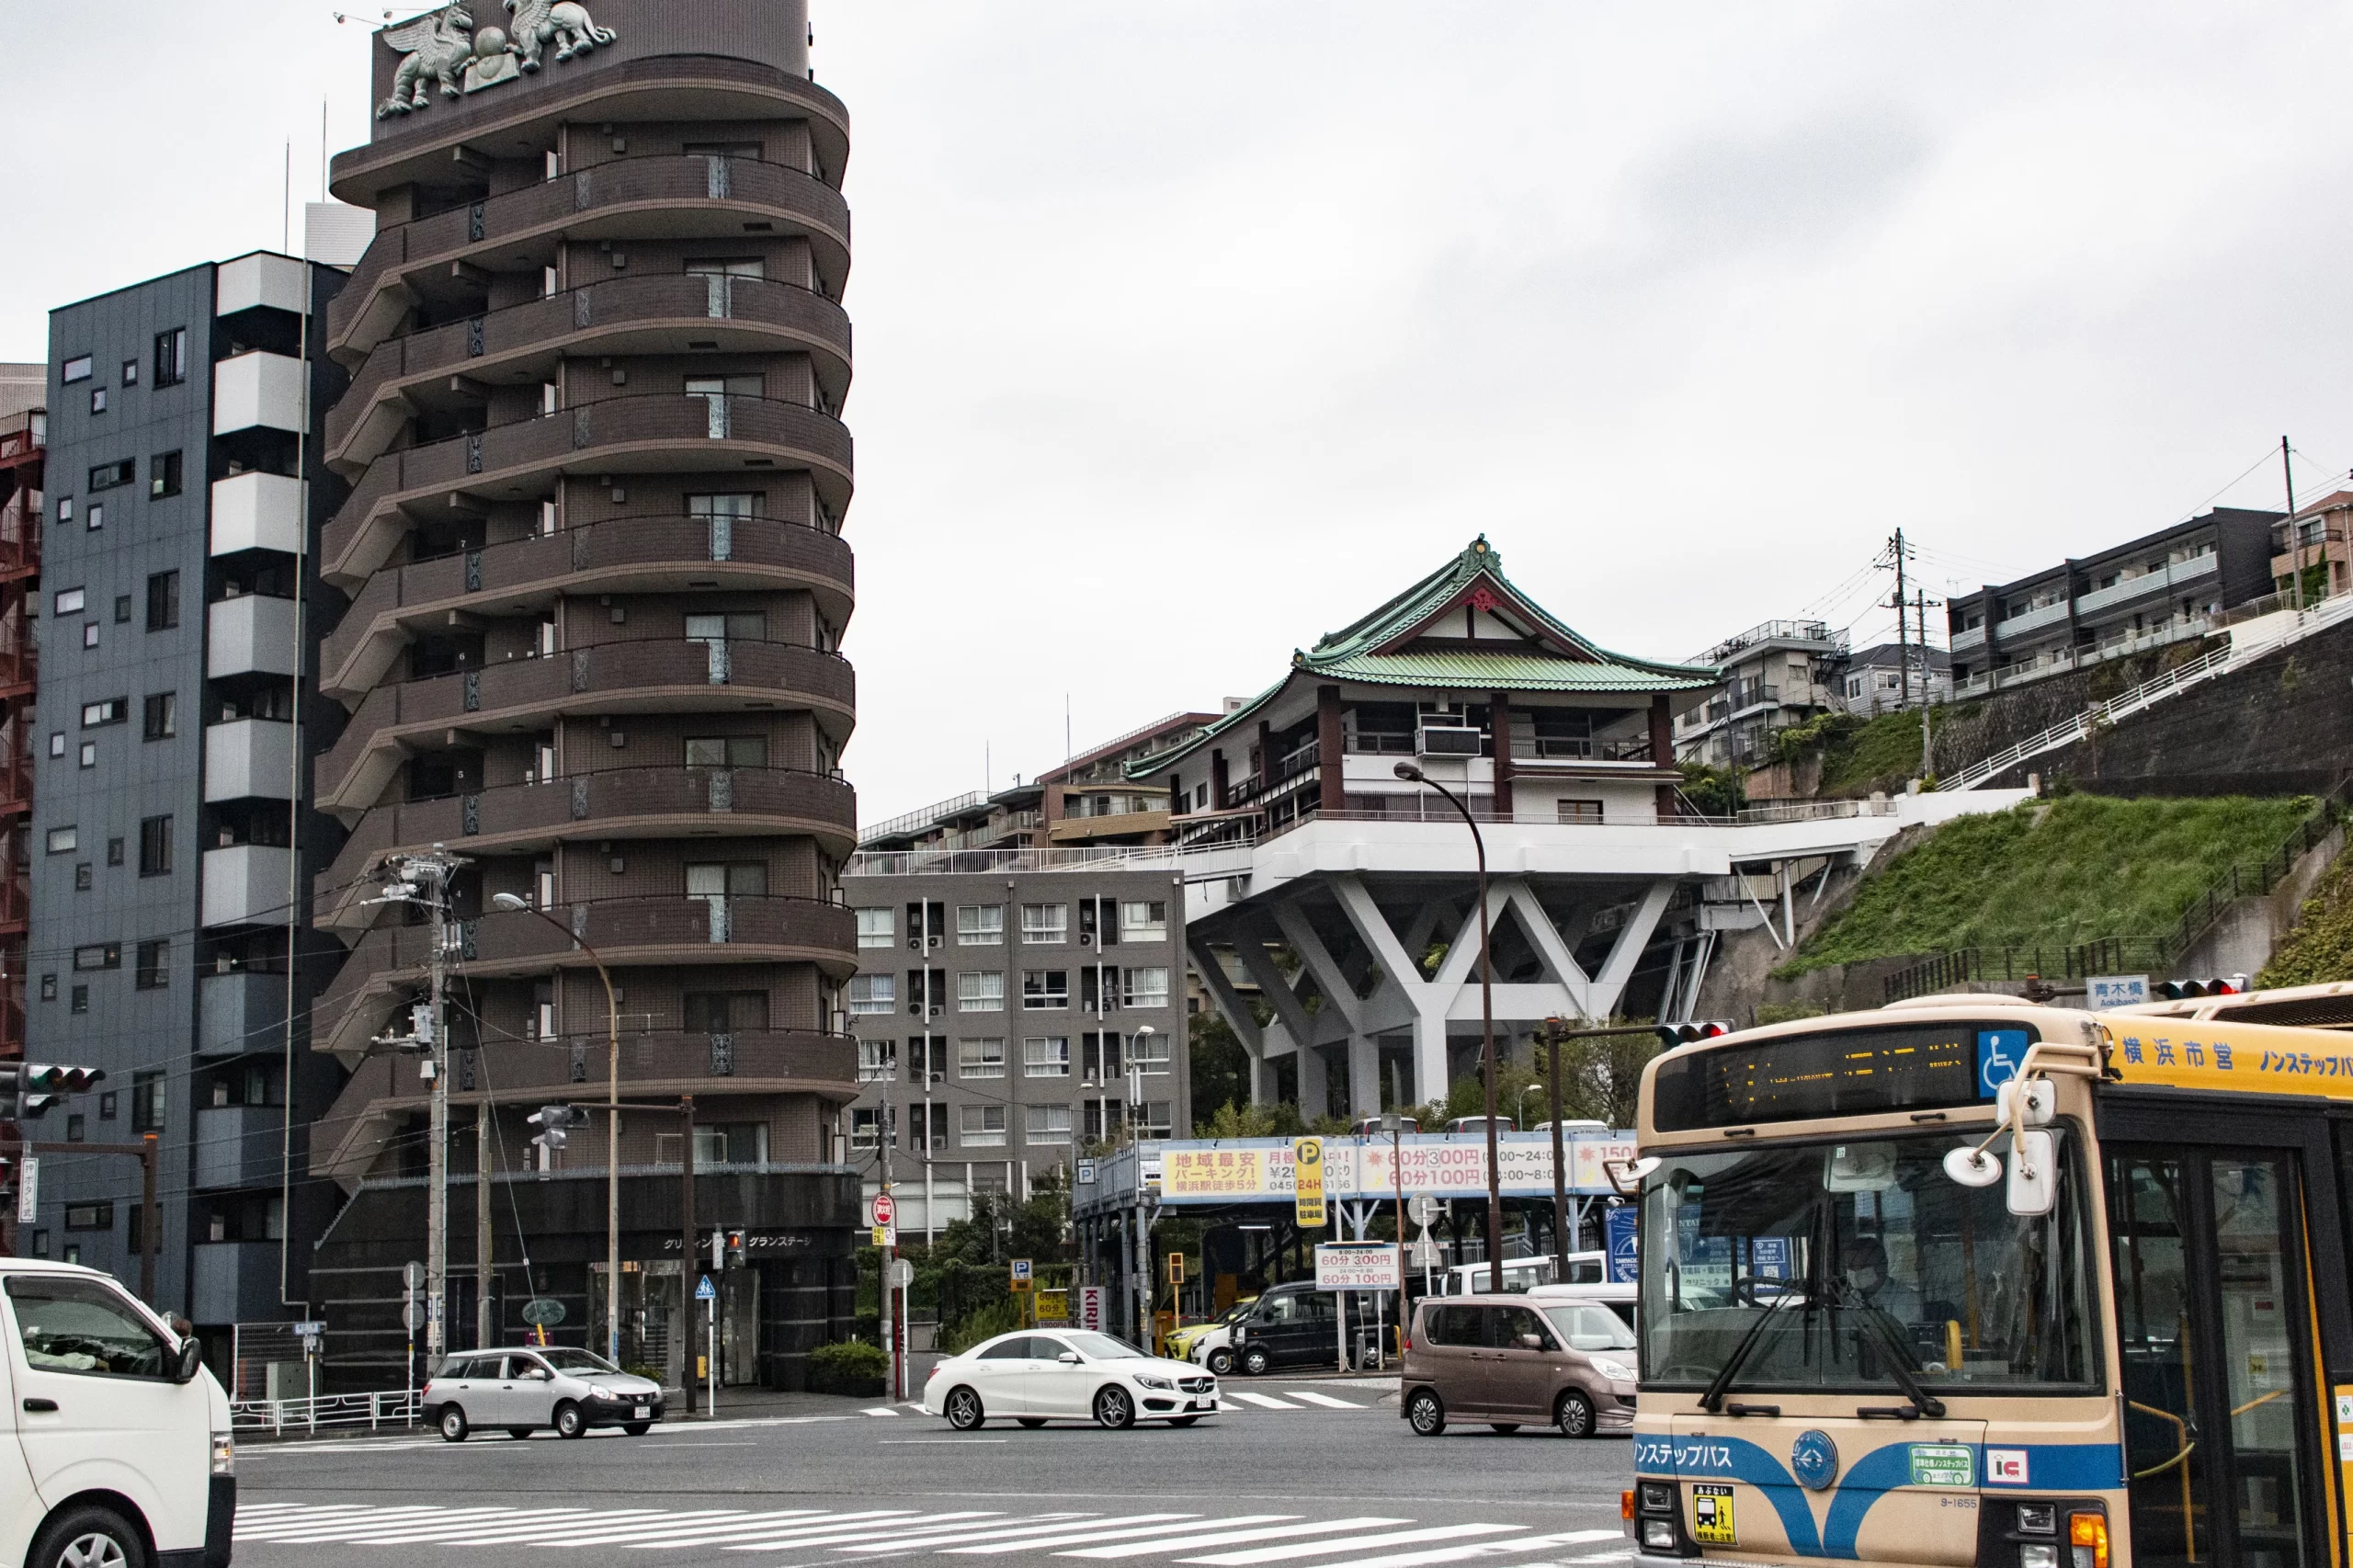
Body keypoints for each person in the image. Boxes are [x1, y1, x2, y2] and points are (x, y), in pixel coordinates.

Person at [1838, 1235, 1924, 1324]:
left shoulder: (1907, 1300)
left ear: (1883, 1266)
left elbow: (1900, 1335)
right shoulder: (1849, 1300)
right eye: (1851, 1266)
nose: (1855, 1272)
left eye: (1863, 1266)